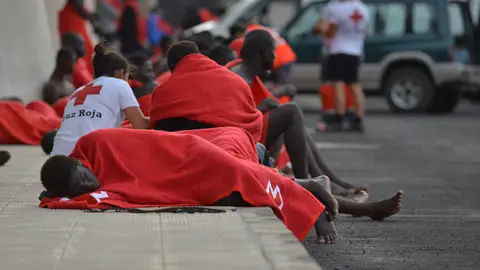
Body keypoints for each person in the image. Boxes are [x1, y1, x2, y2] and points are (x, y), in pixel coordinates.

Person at [151, 40, 403, 224]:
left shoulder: (164, 91)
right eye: (272, 51)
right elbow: (251, 125)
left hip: (202, 156)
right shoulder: (233, 79)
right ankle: (332, 193)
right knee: (268, 172)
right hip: (228, 148)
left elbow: (160, 134)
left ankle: (332, 191)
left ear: (174, 66)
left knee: (267, 175)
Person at [39, 127, 336, 243]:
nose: (88, 186)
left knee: (238, 176)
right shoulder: (75, 184)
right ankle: (310, 188)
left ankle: (315, 206)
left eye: (84, 178)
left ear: (78, 163)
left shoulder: (94, 143)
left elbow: (148, 147)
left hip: (187, 154)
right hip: (175, 180)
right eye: (80, 189)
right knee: (232, 196)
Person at [51, 42, 150, 157]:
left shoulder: (77, 92)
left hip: (56, 160)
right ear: (121, 73)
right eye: (128, 77)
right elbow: (141, 125)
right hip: (87, 159)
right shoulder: (120, 84)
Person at [317, 0, 369, 131]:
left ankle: (339, 117)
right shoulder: (363, 8)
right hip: (356, 50)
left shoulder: (337, 8)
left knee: (338, 84)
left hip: (338, 49)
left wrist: (321, 29)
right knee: (354, 84)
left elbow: (330, 32)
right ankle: (359, 117)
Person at [58, 0, 98, 74]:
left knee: (86, 55)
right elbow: (76, 4)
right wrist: (90, 16)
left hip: (73, 17)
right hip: (73, 18)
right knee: (84, 54)